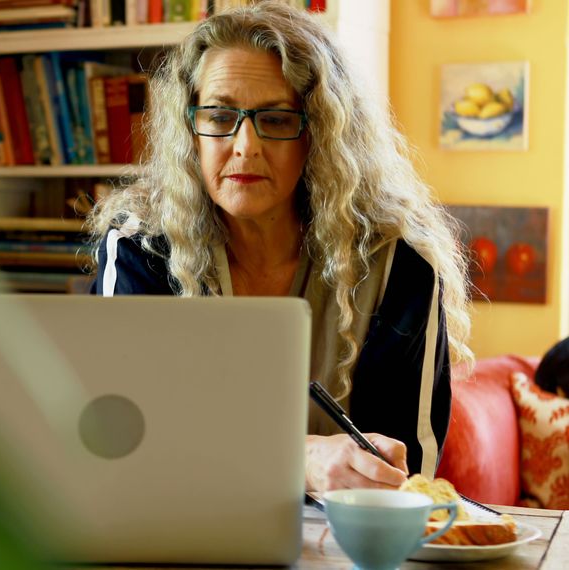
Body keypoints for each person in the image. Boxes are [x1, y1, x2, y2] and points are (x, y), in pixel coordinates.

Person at [87, 1, 473, 492]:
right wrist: (298, 457)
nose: (245, 145)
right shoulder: (141, 250)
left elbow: (404, 474)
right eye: (220, 114)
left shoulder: (399, 268)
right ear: (191, 131)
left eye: (274, 119)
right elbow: (122, 438)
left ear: (320, 134)